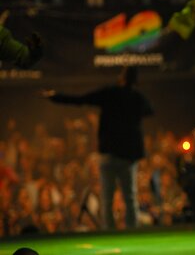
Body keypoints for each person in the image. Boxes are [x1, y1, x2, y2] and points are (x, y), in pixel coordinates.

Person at [42, 66, 154, 230]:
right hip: (128, 157)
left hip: (109, 154)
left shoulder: (110, 93)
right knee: (130, 197)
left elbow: (81, 100)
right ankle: (132, 231)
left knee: (107, 198)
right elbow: (150, 110)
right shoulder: (137, 98)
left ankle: (109, 231)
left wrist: (56, 97)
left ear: (121, 78)